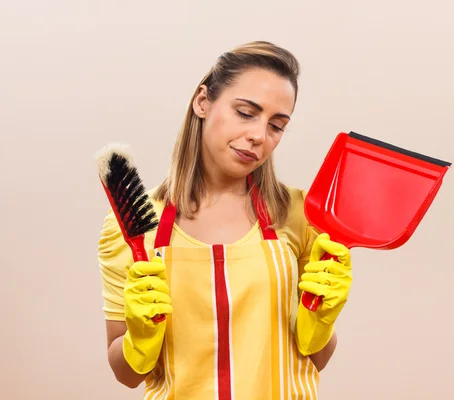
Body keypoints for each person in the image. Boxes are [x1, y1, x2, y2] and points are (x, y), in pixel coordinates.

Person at [97, 40, 353, 399]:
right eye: (246, 113)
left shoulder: (300, 215)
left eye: (276, 125)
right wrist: (139, 339)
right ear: (203, 101)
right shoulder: (131, 227)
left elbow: (317, 356)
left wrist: (321, 323)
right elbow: (125, 374)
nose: (259, 136)